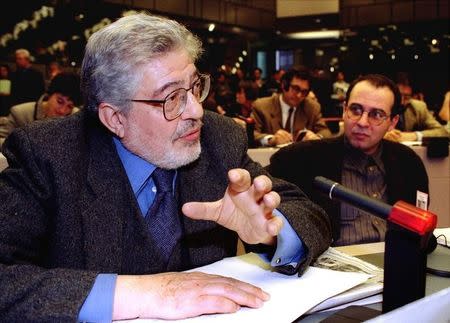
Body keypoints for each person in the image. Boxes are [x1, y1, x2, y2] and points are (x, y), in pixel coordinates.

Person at [0, 13, 331, 321]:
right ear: (115, 118)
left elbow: (309, 213)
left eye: (195, 86)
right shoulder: (48, 154)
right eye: (172, 97)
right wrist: (139, 294)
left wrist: (272, 229)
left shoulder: (218, 139)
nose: (196, 111)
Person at [267, 74, 429, 246]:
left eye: (376, 114)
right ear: (344, 110)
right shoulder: (300, 159)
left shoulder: (409, 164)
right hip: (330, 267)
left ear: (392, 122)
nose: (363, 122)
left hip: (395, 263)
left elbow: (418, 232)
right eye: (356, 110)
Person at [251, 68, 331, 146]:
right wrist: (270, 139)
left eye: (304, 92)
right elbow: (251, 134)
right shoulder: (261, 106)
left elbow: (325, 132)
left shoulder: (312, 107)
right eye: (296, 89)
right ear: (284, 85)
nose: (299, 95)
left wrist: (317, 138)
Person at [0, 72, 81, 147]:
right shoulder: (20, 113)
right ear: (49, 95)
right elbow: (2, 141)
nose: (62, 111)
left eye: (69, 106)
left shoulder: (76, 117)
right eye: (59, 102)